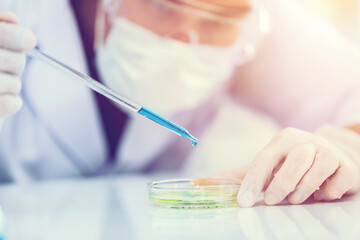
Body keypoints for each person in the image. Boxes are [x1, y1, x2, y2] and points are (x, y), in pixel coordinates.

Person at [0, 0, 360, 208]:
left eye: (217, 20)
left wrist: (349, 145)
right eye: (162, 5)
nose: (183, 40)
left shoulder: (255, 17)